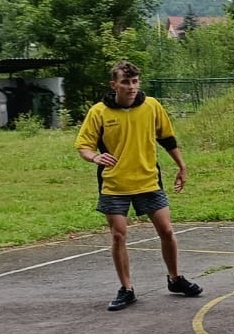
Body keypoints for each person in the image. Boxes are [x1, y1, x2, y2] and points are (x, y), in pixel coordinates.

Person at [74, 60, 204, 312]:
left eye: (135, 82)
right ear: (114, 85)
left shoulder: (152, 106)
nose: (131, 87)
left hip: (148, 180)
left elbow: (167, 138)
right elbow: (84, 145)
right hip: (115, 183)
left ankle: (175, 279)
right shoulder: (99, 112)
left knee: (166, 231)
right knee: (119, 234)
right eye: (125, 82)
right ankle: (127, 289)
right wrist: (94, 156)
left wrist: (181, 165)